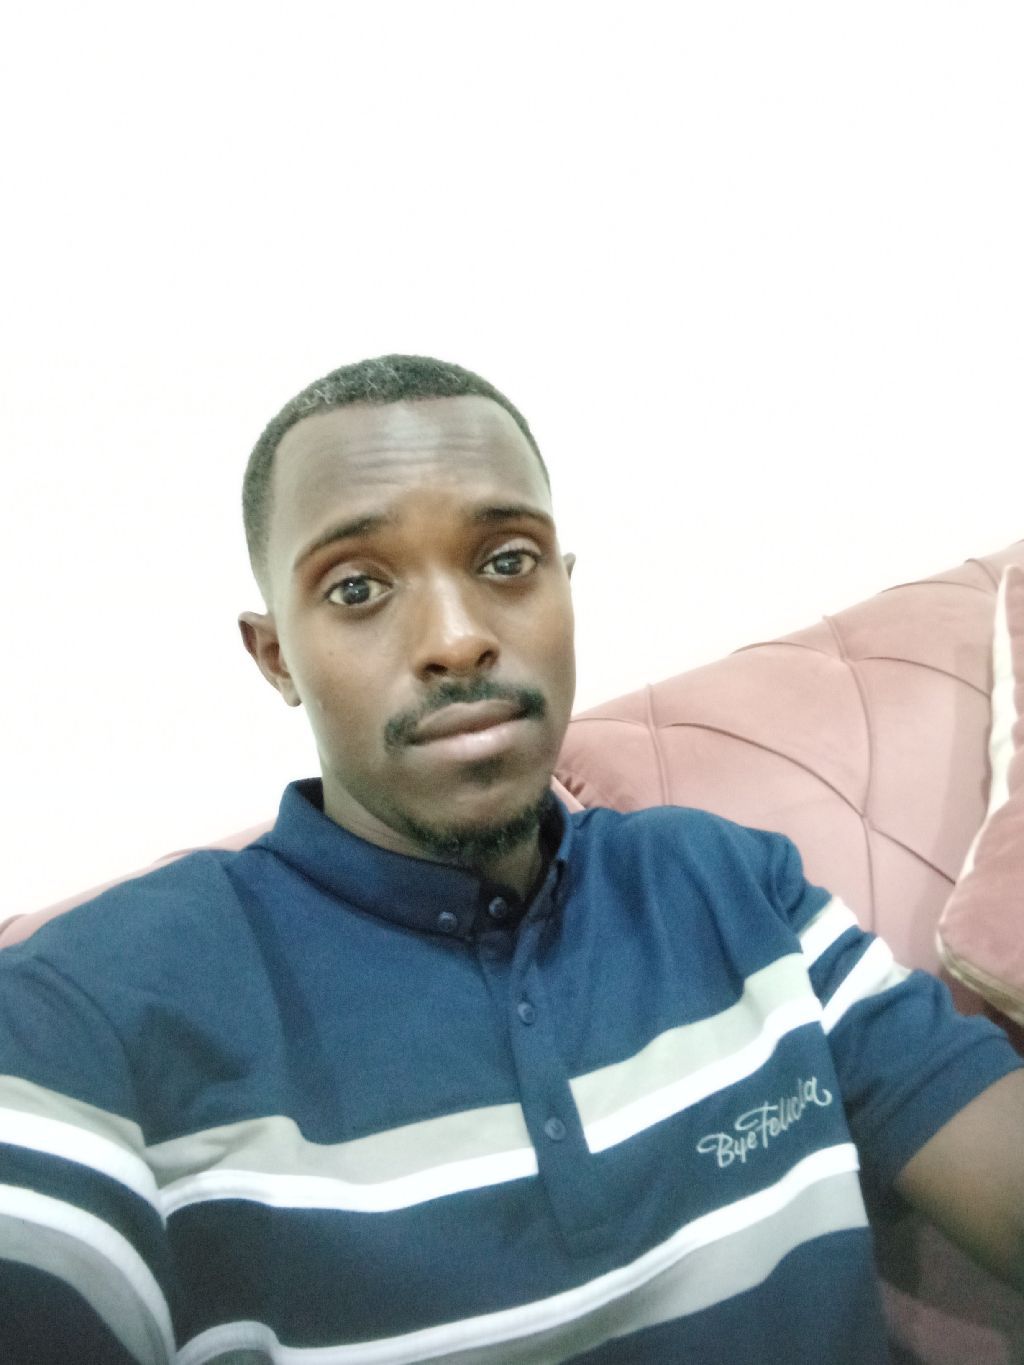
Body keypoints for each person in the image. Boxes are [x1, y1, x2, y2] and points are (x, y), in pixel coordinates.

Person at [0, 355, 1021, 1365]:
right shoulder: (89, 1009)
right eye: (357, 587)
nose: (456, 639)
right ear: (276, 658)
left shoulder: (732, 886)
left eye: (505, 562)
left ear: (564, 590)